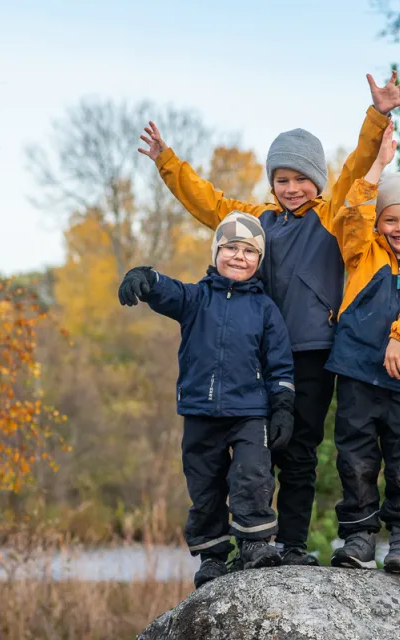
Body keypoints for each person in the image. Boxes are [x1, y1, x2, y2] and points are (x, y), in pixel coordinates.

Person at [135, 72, 400, 566]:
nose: (292, 188)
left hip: (308, 353)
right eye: (282, 179)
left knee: (298, 451)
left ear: (318, 182)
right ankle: (251, 544)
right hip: (253, 356)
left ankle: (293, 545)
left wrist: (379, 114)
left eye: (301, 179)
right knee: (252, 454)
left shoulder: (329, 213)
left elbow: (357, 164)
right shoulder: (256, 219)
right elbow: (209, 203)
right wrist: (167, 162)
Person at [116, 213, 295, 588]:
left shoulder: (266, 310)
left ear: (259, 261)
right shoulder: (197, 298)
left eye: (249, 251)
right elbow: (169, 292)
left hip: (250, 413)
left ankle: (255, 544)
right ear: (216, 252)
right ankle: (213, 555)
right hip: (200, 411)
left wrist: (282, 407)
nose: (239, 256)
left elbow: (279, 365)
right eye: (231, 247)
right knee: (205, 484)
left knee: (253, 475)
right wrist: (146, 278)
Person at [325, 121, 400, 574]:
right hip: (357, 370)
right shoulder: (362, 251)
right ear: (379, 223)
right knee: (356, 456)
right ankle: (359, 535)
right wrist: (378, 165)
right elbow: (353, 209)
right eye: (391, 219)